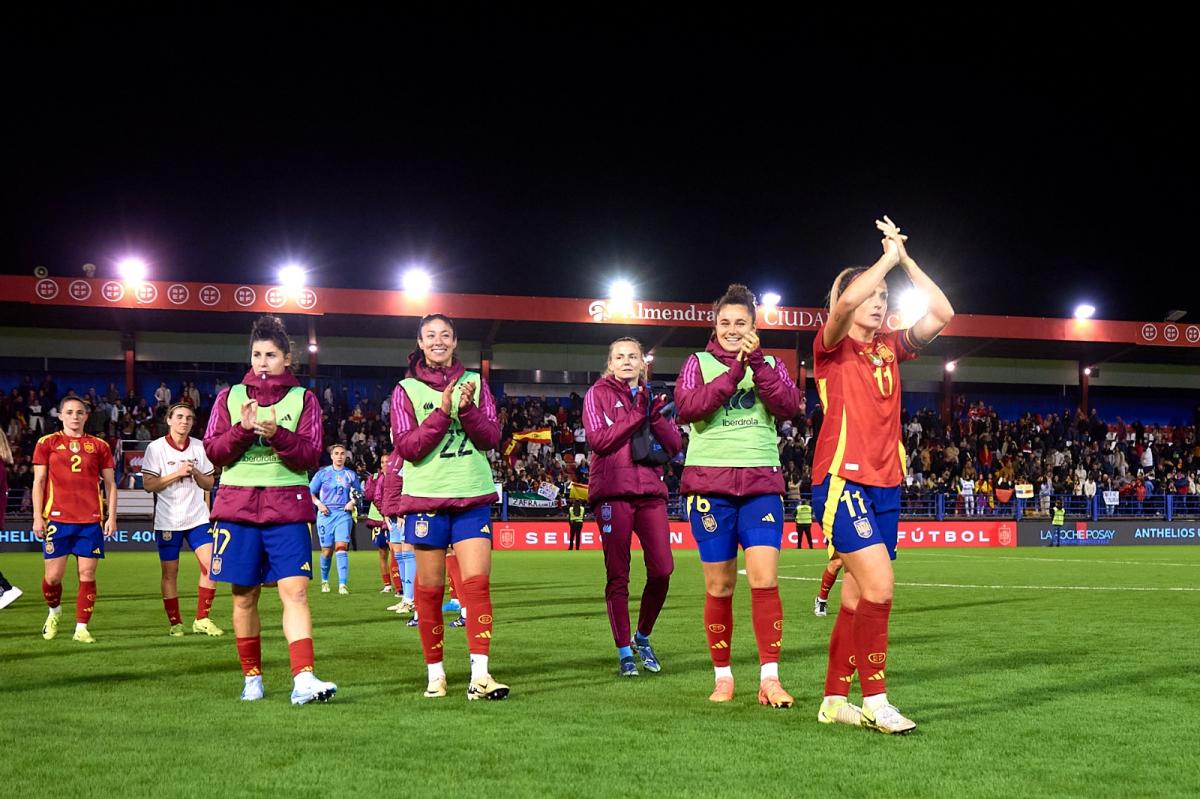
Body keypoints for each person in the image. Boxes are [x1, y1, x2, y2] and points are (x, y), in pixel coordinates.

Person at [810, 216, 954, 734]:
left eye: (883, 296)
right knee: (881, 588)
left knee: (855, 599)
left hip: (887, 484)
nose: (879, 301)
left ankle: (832, 700)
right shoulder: (829, 346)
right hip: (843, 480)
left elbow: (943, 311)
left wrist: (907, 259)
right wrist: (886, 259)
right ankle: (876, 700)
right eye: (872, 294)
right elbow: (846, 304)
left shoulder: (890, 346)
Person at [675, 284, 803, 706]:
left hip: (761, 485)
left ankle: (770, 678)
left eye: (740, 323)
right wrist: (733, 374)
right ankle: (723, 677)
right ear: (715, 325)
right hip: (709, 486)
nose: (732, 330)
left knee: (765, 580)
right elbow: (688, 408)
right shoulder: (697, 363)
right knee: (720, 586)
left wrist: (757, 367)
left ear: (754, 326)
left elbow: (789, 406)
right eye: (725, 322)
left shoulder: (770, 363)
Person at [203, 315, 336, 704]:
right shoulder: (228, 397)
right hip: (237, 507)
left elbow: (310, 454)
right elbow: (213, 451)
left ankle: (303, 680)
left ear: (287, 358)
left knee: (295, 593)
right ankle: (252, 679)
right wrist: (244, 430)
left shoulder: (304, 399)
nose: (263, 362)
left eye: (271, 355)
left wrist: (278, 435)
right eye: (257, 354)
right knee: (243, 597)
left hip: (287, 508)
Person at [391, 313, 508, 700]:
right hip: (427, 498)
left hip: (472, 495)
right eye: (430, 336)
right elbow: (408, 447)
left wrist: (468, 409)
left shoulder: (475, 382)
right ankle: (435, 675)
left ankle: (481, 675)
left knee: (476, 585)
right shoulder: (405, 390)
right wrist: (443, 413)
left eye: (445, 335)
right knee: (429, 590)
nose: (438, 341)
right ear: (420, 344)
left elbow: (491, 437)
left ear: (455, 342)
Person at [584, 337, 683, 677]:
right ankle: (625, 650)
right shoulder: (596, 394)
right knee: (618, 575)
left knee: (663, 570)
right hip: (613, 491)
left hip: (650, 492)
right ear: (610, 364)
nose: (626, 361)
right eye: (619, 357)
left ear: (642, 363)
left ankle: (643, 636)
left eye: (632, 357)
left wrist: (653, 417)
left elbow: (673, 445)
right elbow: (599, 440)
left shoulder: (651, 399)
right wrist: (637, 416)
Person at [32, 396, 118, 643]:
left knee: (87, 574)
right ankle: (54, 611)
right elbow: (38, 482)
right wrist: (38, 516)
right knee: (52, 578)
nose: (75, 416)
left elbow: (111, 485)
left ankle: (81, 628)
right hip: (57, 520)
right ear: (60, 416)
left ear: (86, 416)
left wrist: (111, 517)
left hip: (90, 521)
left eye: (80, 412)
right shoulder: (47, 443)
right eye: (69, 412)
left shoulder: (99, 446)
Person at [141, 403, 223, 637]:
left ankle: (202, 618)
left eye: (188, 418)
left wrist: (195, 472)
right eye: (179, 417)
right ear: (169, 420)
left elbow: (209, 484)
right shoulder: (156, 448)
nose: (184, 421)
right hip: (168, 520)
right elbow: (148, 485)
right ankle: (175, 622)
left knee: (212, 567)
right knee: (170, 573)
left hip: (197, 518)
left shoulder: (199, 447)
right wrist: (177, 473)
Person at [310, 444, 363, 594]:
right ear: (332, 456)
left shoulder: (351, 474)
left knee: (341, 548)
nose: (340, 456)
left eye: (342, 453)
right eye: (337, 453)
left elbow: (359, 493)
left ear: (346, 456)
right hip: (326, 514)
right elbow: (310, 492)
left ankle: (342, 584)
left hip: (343, 514)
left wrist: (352, 502)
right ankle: (324, 581)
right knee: (326, 552)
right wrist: (319, 504)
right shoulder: (323, 473)